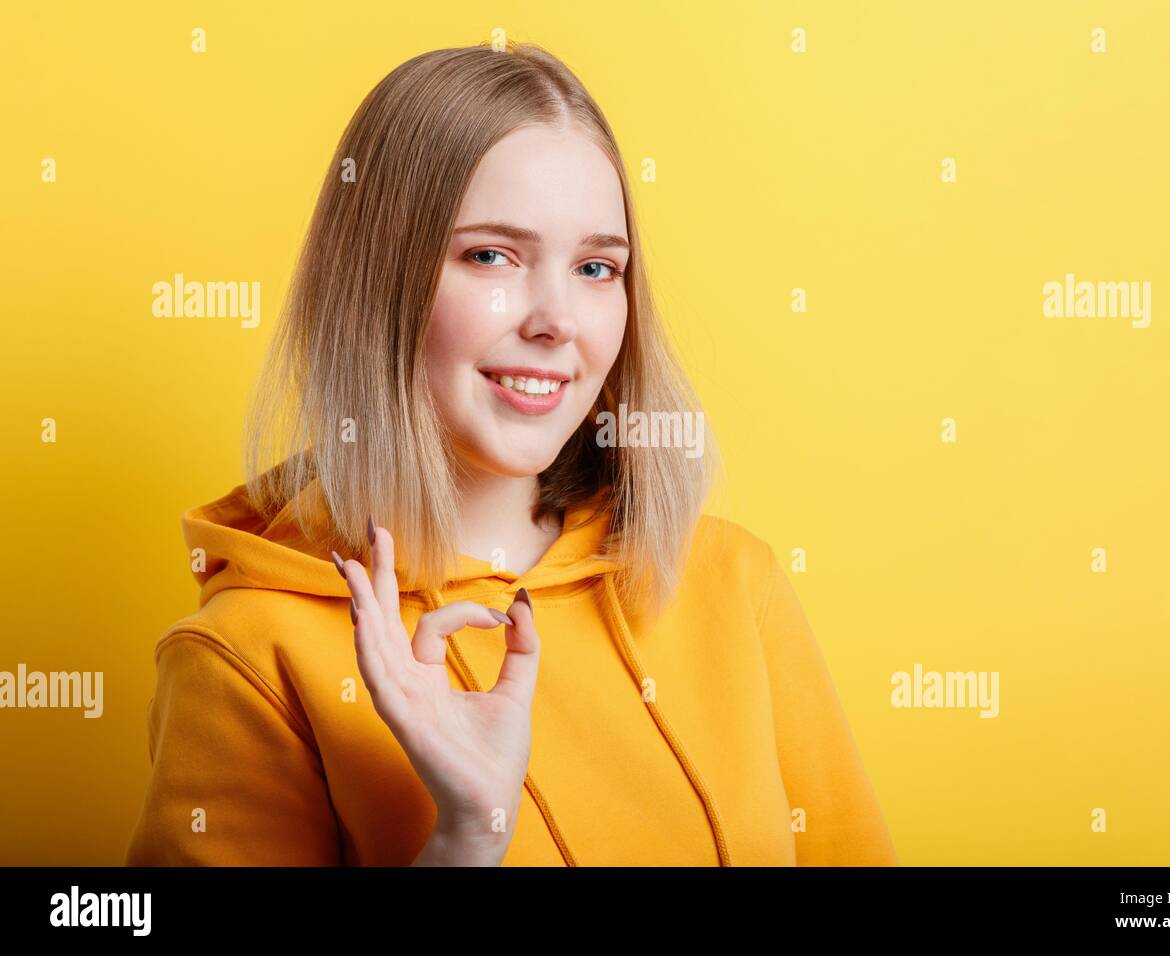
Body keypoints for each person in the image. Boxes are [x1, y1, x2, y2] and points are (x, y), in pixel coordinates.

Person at [125, 41, 898, 866]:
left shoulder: (732, 582)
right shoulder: (250, 653)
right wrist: (466, 836)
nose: (556, 319)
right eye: (491, 255)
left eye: (597, 267)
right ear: (377, 282)